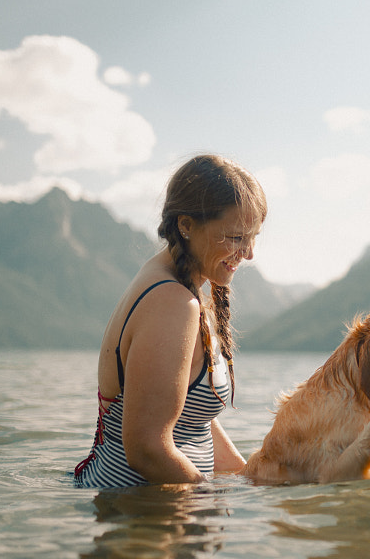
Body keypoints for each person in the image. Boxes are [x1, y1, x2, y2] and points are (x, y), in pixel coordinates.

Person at [74, 154, 267, 487]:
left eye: (253, 237)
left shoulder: (173, 287)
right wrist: (210, 499)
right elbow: (147, 449)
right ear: (186, 225)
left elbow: (188, 419)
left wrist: (247, 480)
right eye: (236, 237)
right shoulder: (171, 303)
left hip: (158, 510)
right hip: (141, 518)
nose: (248, 253)